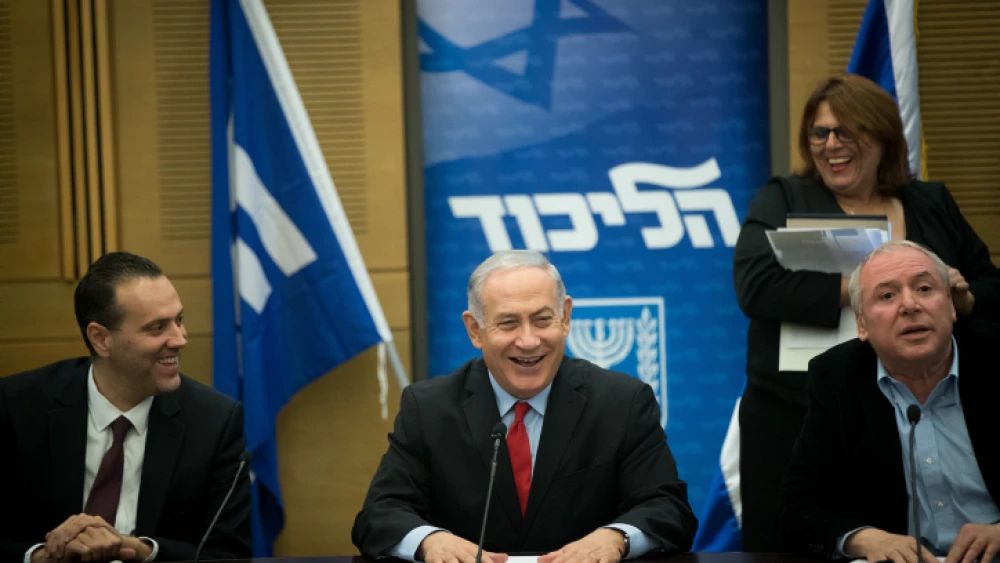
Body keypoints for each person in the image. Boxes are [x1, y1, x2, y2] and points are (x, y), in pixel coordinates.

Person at [731, 73, 1000, 551]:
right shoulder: (784, 197)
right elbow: (756, 286)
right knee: (791, 535)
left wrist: (959, 296)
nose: (831, 144)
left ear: (881, 136)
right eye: (820, 132)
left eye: (847, 131)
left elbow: (992, 285)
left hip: (915, 397)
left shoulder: (929, 202)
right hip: (791, 408)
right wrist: (869, 289)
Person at [352, 250, 697, 563]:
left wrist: (617, 537)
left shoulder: (622, 402)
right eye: (508, 323)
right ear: (475, 330)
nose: (529, 340)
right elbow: (380, 514)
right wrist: (430, 541)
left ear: (565, 318)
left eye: (543, 320)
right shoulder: (428, 408)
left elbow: (668, 510)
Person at [0, 252, 252, 562]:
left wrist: (136, 548)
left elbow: (227, 554)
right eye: (157, 327)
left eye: (179, 320)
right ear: (101, 339)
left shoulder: (215, 422)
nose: (180, 339)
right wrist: (42, 556)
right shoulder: (17, 406)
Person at [779, 241, 1000, 563]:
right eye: (887, 296)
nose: (910, 305)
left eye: (924, 288)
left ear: (951, 307)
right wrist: (866, 540)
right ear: (862, 325)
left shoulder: (995, 357)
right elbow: (797, 510)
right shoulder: (837, 379)